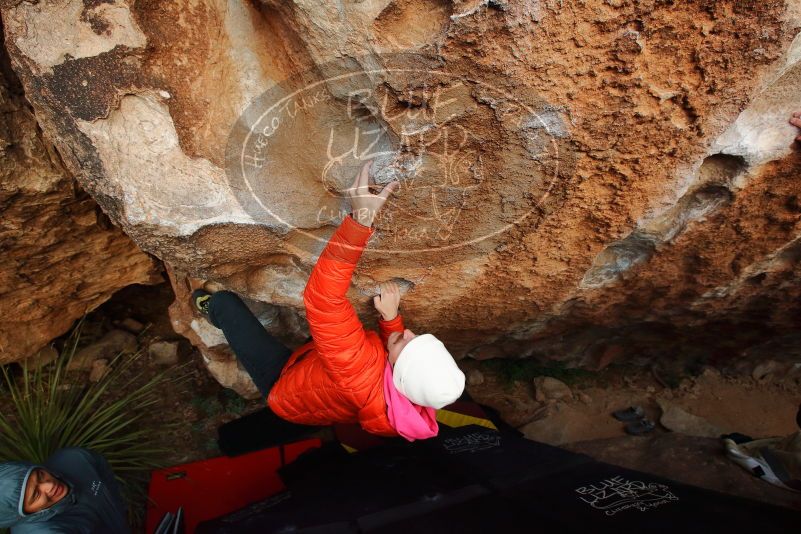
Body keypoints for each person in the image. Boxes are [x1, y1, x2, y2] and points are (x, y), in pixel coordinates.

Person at [191, 159, 465, 441]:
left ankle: (207, 308)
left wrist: (360, 221)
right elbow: (398, 364)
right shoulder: (407, 403)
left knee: (226, 303)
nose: (407, 333)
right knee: (326, 350)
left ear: (399, 373)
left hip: (283, 387)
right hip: (320, 391)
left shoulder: (359, 371)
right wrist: (391, 321)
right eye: (417, 338)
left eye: (407, 344)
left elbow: (323, 299)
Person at [0, 448, 129, 533]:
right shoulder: (44, 531)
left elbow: (105, 473)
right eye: (36, 494)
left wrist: (117, 509)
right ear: (23, 514)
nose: (49, 485)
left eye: (40, 476)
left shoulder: (76, 460)